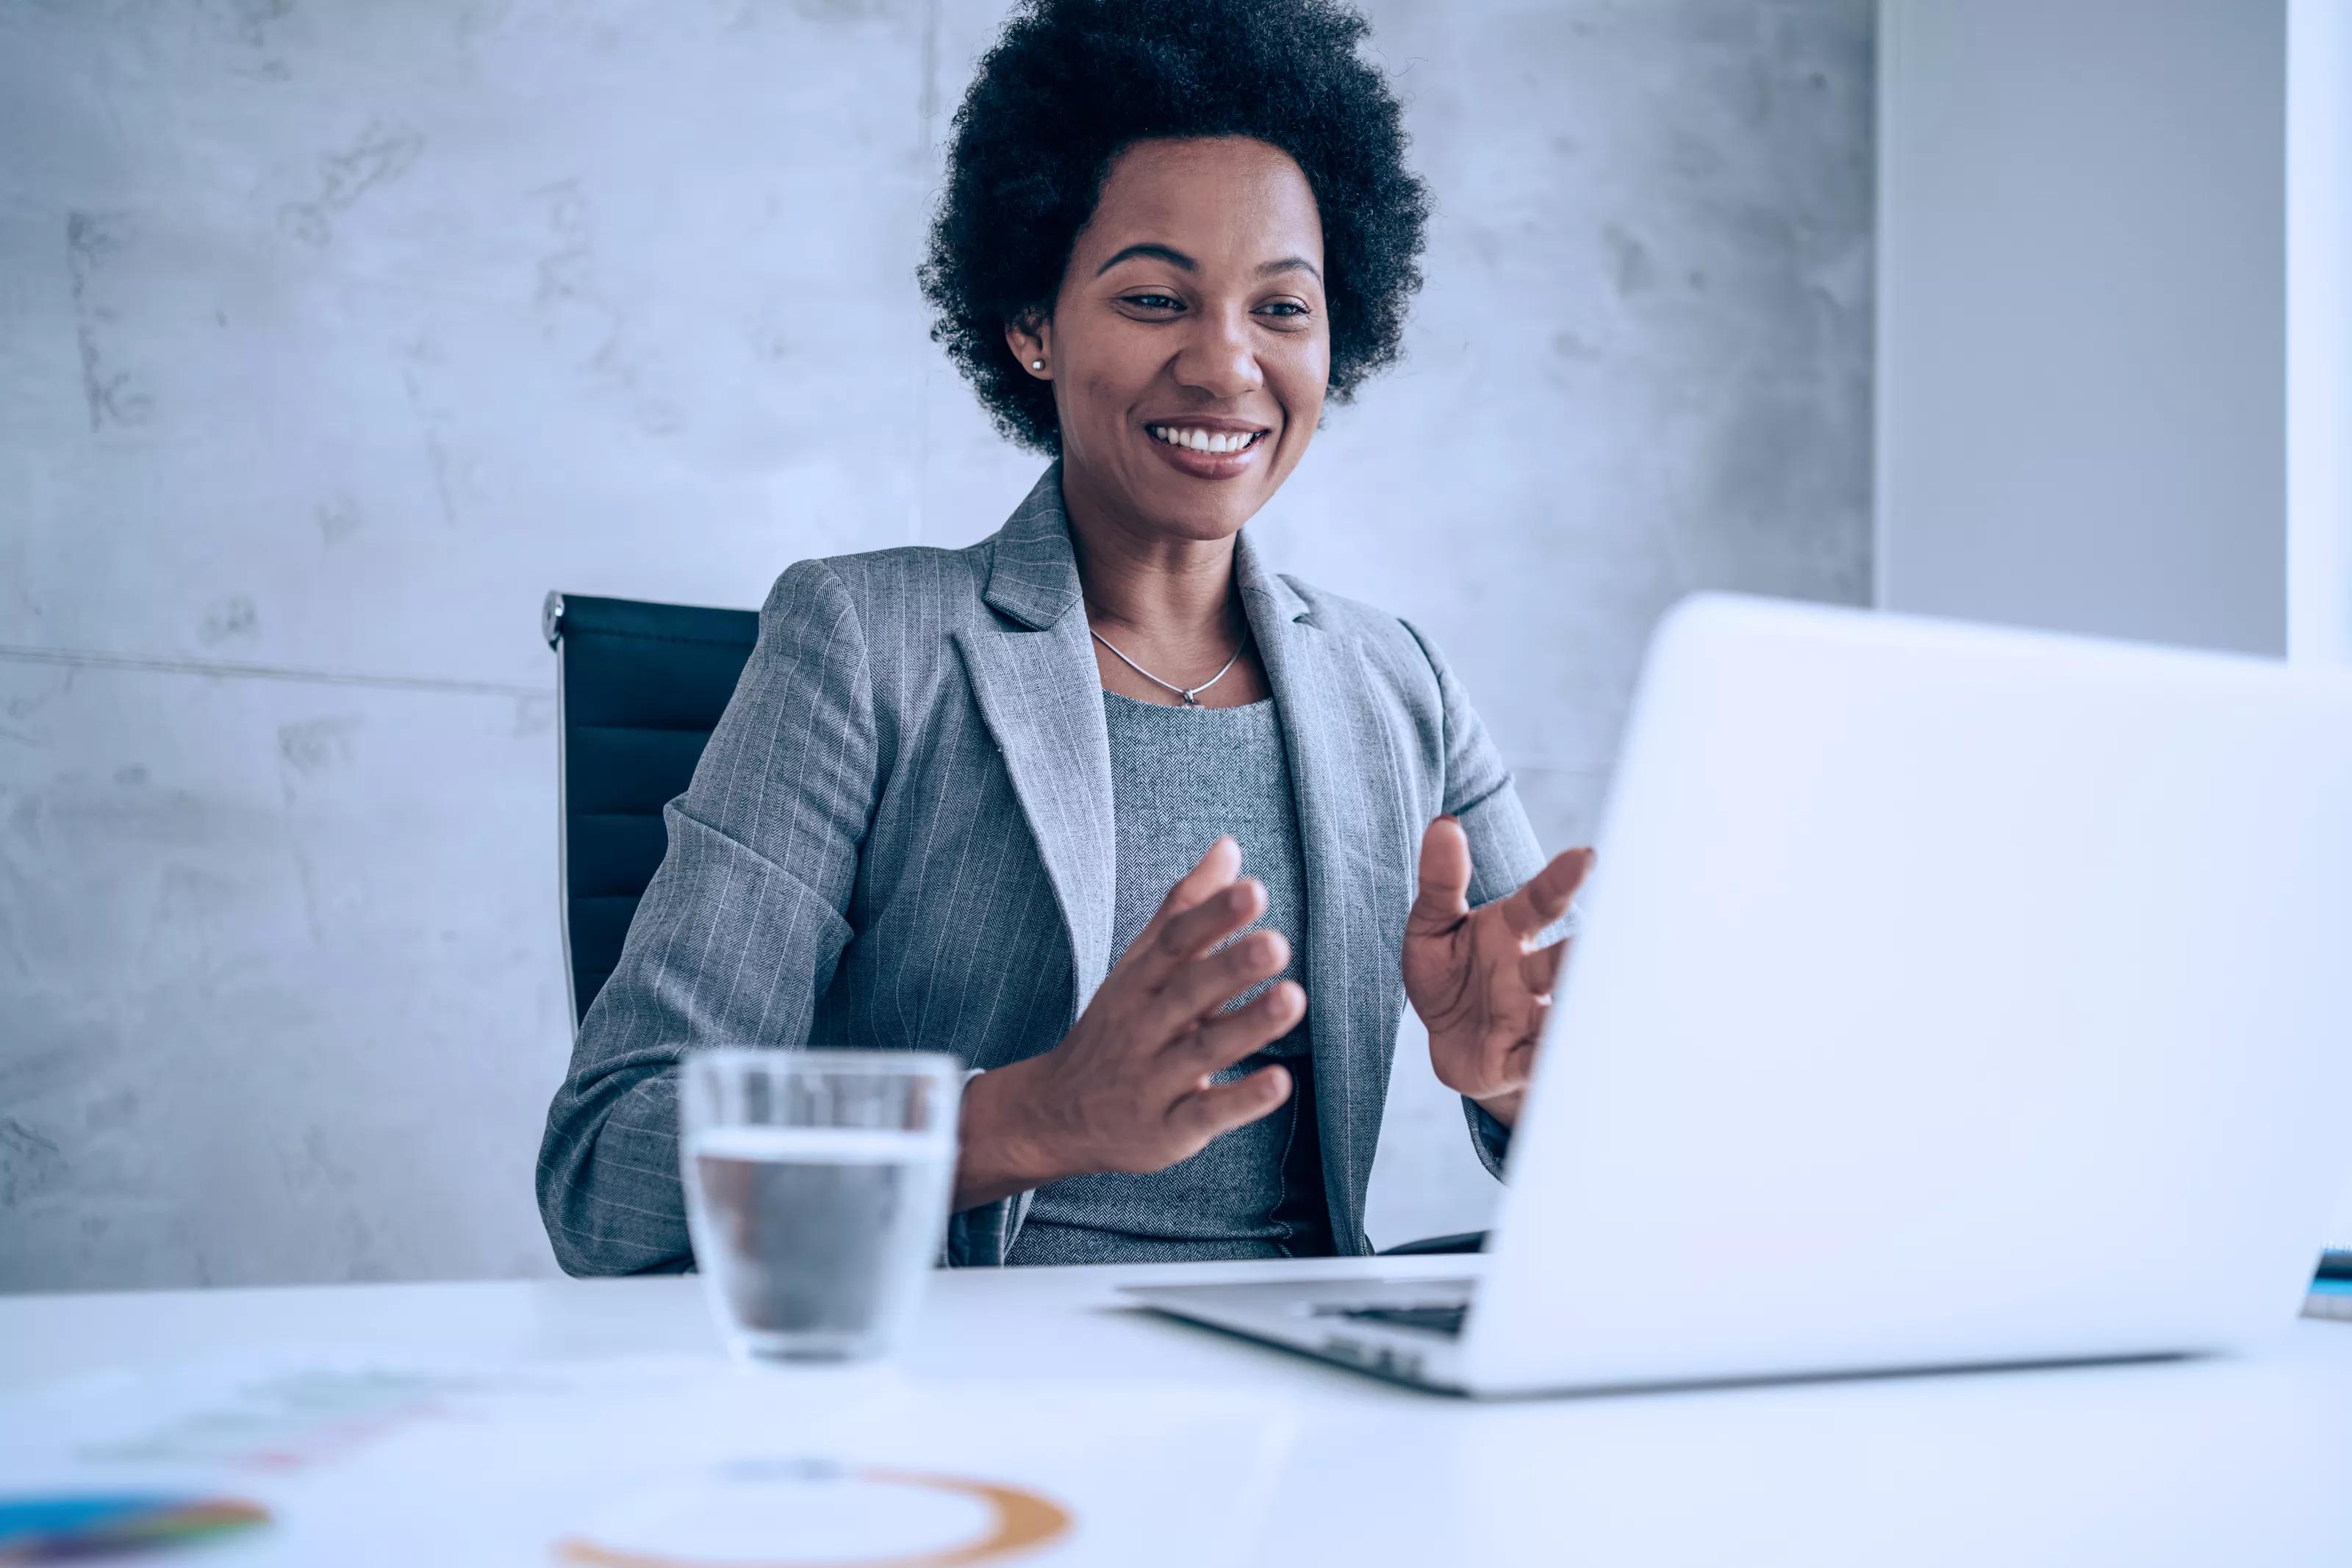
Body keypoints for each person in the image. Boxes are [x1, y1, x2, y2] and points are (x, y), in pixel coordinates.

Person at [537, 0, 1593, 1273]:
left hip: (1303, 1411)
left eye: (1282, 310)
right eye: (1155, 298)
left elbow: (1625, 1155)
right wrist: (1033, 1116)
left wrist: (1520, 1087)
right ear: (1032, 323)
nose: (1225, 366)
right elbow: (610, 1167)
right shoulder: (866, 643)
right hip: (958, 1400)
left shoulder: (1398, 686)